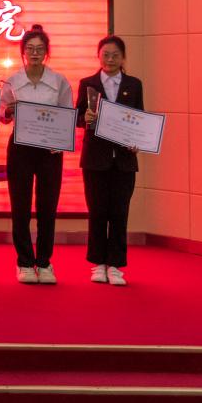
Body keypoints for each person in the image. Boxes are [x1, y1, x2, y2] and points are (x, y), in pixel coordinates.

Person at [0, 24, 73, 285]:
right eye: (30, 48)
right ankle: (24, 261)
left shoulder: (59, 81)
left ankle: (44, 262)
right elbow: (2, 115)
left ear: (47, 52)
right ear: (23, 52)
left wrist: (59, 141)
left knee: (47, 208)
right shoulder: (12, 81)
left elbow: (67, 115)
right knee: (20, 208)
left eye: (40, 49)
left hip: (50, 151)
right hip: (20, 149)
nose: (34, 53)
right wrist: (8, 111)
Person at [75, 35, 143, 286]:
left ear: (123, 58)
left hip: (124, 160)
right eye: (106, 54)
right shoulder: (88, 84)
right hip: (95, 159)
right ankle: (98, 263)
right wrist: (85, 119)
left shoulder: (134, 84)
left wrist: (139, 141)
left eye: (115, 55)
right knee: (97, 211)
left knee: (119, 212)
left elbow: (139, 118)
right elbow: (78, 117)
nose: (110, 59)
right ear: (98, 56)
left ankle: (115, 265)